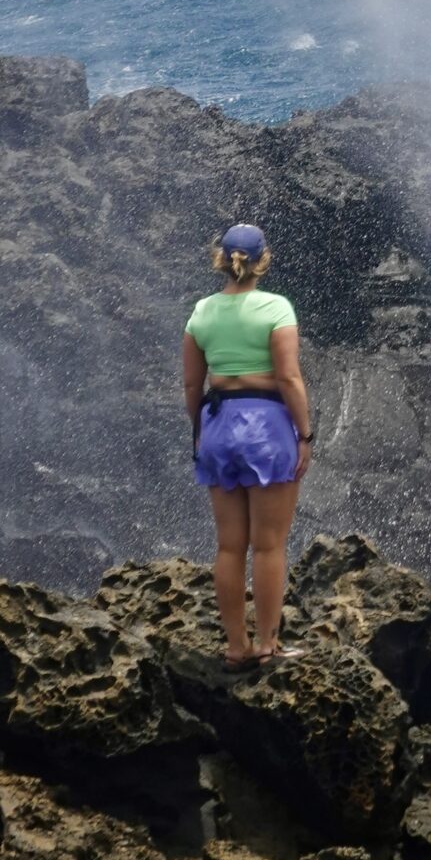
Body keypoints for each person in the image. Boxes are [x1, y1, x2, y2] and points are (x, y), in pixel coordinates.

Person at [182, 223, 313, 667]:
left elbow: (191, 383)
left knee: (229, 546)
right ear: (262, 260)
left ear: (220, 258)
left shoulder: (201, 312)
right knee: (269, 545)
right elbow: (289, 378)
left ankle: (236, 647)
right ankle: (267, 645)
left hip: (218, 423)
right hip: (267, 426)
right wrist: (306, 435)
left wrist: (200, 430)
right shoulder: (276, 308)